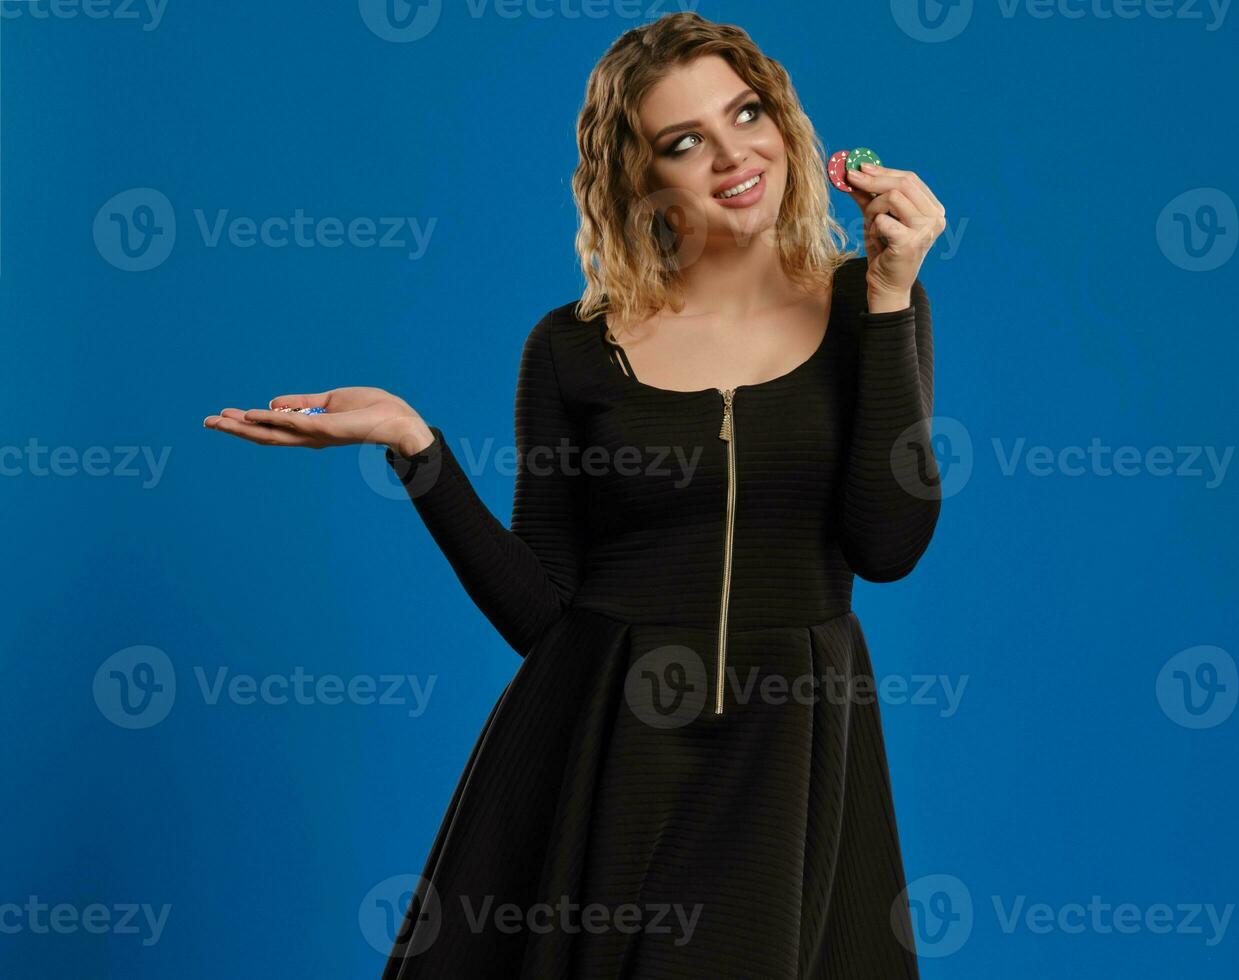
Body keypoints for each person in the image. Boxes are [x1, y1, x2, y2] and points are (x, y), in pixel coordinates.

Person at [204, 11, 946, 978]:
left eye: (747, 113)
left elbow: (887, 548)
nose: (733, 157)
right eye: (685, 142)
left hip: (788, 748)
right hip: (603, 751)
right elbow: (541, 611)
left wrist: (890, 300)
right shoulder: (571, 347)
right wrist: (415, 447)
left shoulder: (870, 308)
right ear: (640, 177)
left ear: (784, 120)